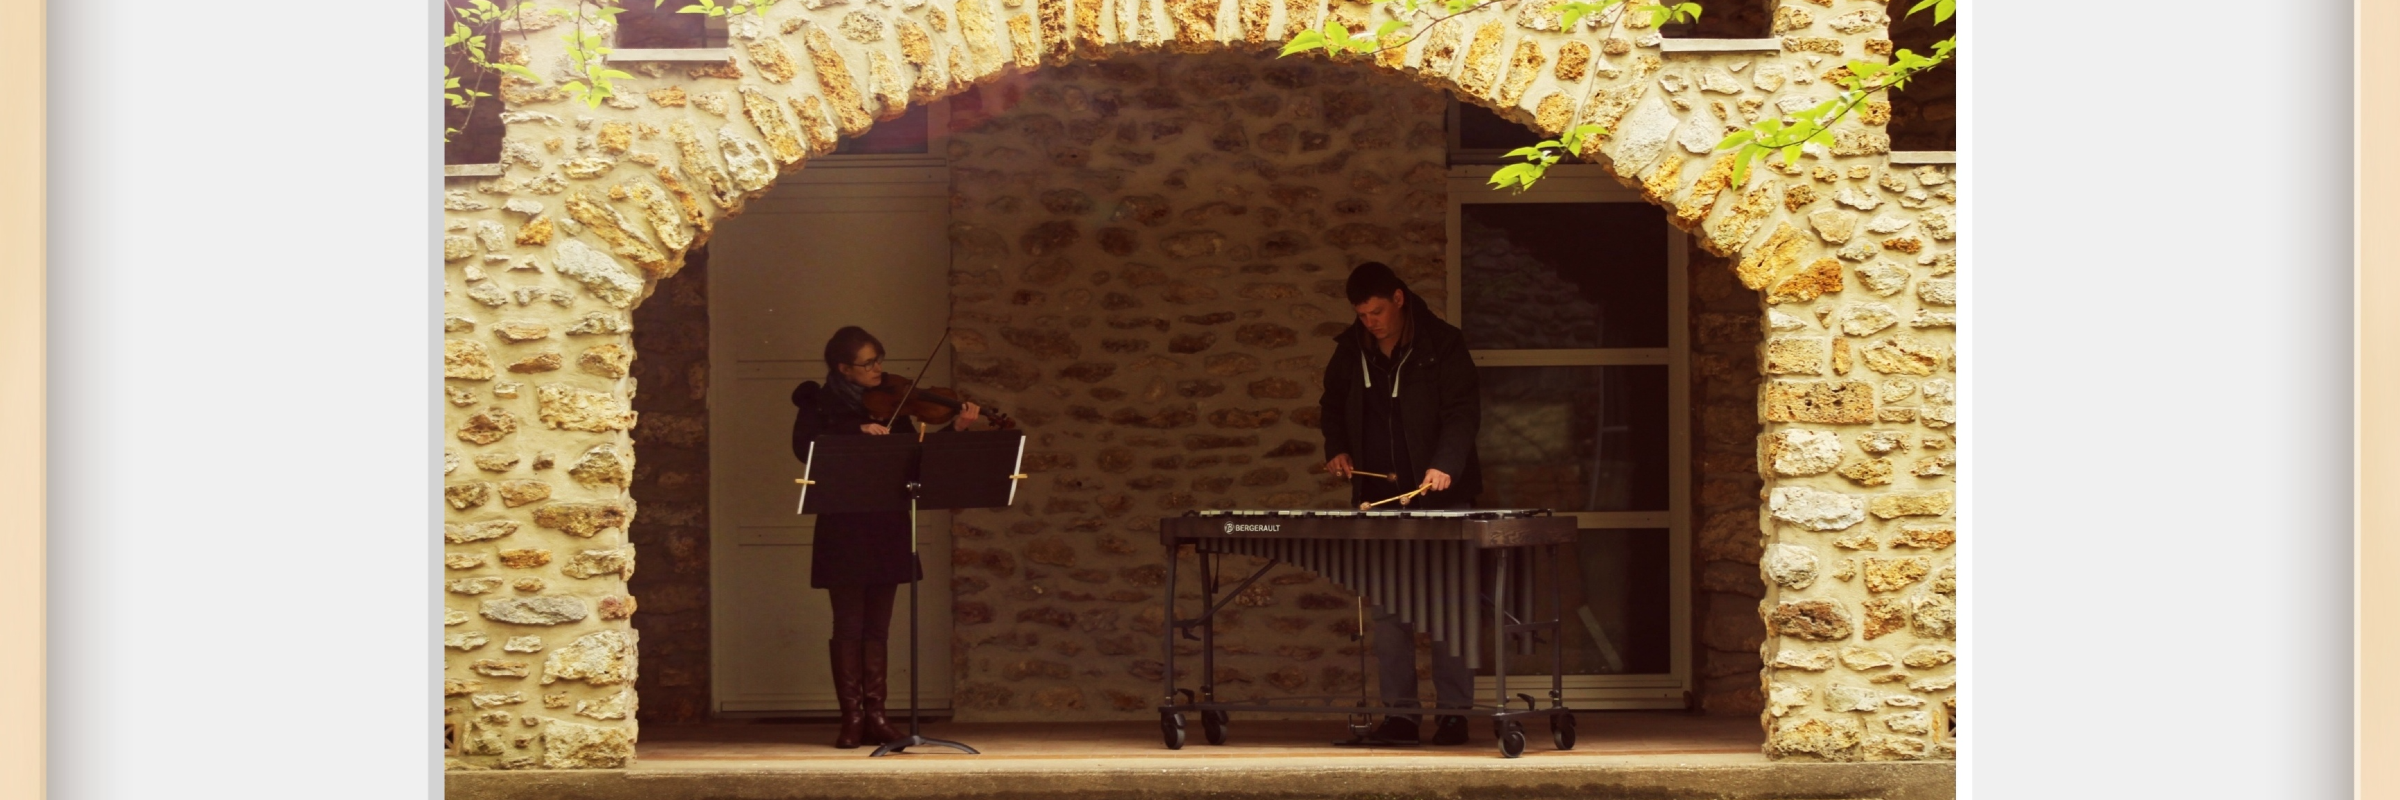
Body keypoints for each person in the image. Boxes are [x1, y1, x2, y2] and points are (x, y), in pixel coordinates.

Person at [1316, 261, 1484, 746]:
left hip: (1442, 497)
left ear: (1399, 298)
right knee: (1389, 609)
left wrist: (1445, 463)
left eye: (1377, 311)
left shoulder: (1443, 344)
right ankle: (1401, 717)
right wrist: (1338, 448)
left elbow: (1462, 410)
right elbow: (1331, 406)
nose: (1370, 321)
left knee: (1449, 605)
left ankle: (1453, 714)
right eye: (1362, 314)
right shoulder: (1351, 351)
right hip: (1378, 499)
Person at [790, 325, 981, 749]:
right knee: (848, 625)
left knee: (878, 627)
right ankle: (851, 718)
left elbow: (919, 460)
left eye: (879, 359)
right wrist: (854, 434)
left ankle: (877, 715)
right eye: (868, 363)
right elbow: (804, 447)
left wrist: (959, 430)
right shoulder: (818, 403)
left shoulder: (895, 406)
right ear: (843, 368)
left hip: (888, 525)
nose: (879, 369)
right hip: (844, 527)